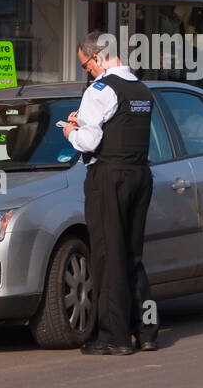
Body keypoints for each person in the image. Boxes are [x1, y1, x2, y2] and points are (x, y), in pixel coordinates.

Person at [63, 30, 157, 355]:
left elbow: (89, 142)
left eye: (87, 65)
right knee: (133, 256)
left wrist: (70, 131)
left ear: (99, 56)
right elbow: (119, 127)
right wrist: (86, 125)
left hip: (109, 177)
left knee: (107, 255)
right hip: (141, 175)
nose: (88, 72)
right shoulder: (141, 88)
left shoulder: (99, 90)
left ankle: (113, 338)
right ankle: (145, 331)